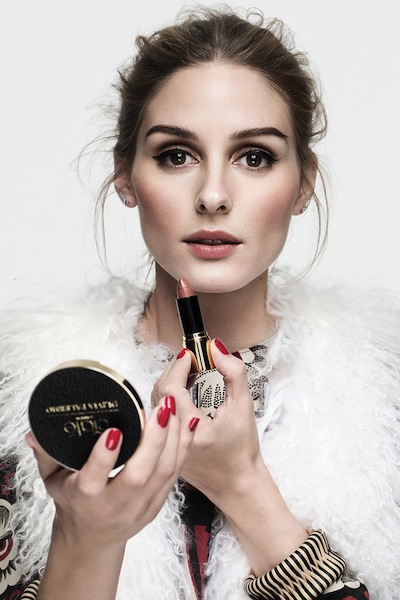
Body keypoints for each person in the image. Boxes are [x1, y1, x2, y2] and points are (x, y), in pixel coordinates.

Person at [1, 5, 399, 600]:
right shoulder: (27, 403)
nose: (213, 195)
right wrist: (88, 541)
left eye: (255, 157)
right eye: (176, 155)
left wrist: (242, 483)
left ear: (304, 184)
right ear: (126, 177)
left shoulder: (385, 405)